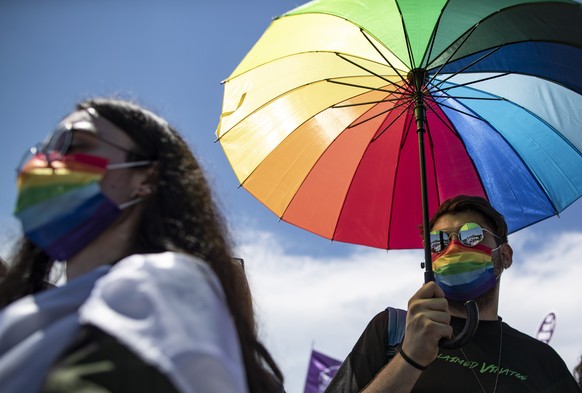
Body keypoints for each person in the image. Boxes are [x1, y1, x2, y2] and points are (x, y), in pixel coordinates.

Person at [0, 98, 284, 393]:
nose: (49, 162)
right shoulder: (28, 313)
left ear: (146, 177)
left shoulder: (162, 281)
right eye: (46, 149)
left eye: (76, 145)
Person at [325, 195, 581, 393]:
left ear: (504, 256)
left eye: (471, 235)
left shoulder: (542, 361)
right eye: (438, 242)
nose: (454, 247)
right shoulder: (391, 332)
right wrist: (409, 359)